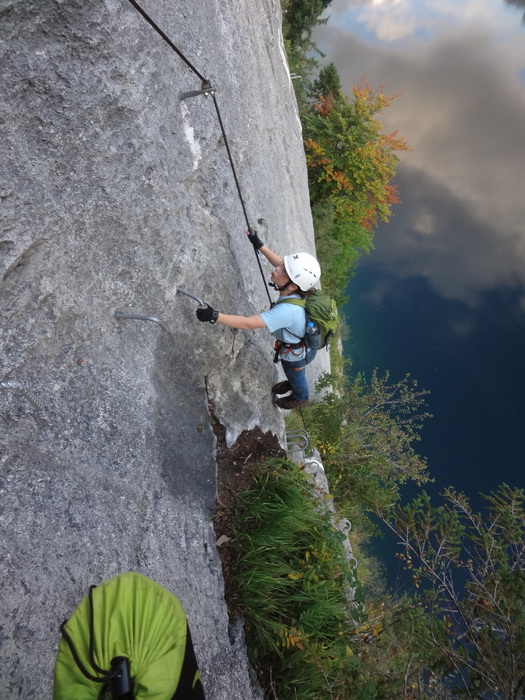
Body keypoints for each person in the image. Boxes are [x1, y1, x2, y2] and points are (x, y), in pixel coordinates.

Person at [195, 230, 321, 409]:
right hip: (302, 345)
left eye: (283, 270)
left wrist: (214, 316)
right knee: (292, 372)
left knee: (294, 373)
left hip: (297, 355)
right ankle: (293, 383)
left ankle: (300, 397)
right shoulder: (296, 289)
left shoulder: (287, 311)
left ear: (292, 285)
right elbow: (280, 263)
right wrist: (259, 244)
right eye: (282, 265)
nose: (277, 268)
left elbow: (248, 323)